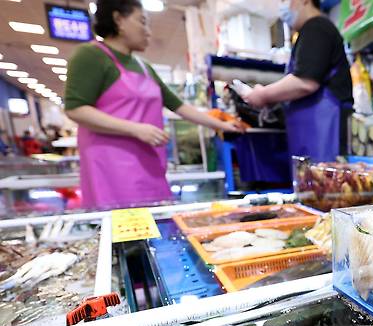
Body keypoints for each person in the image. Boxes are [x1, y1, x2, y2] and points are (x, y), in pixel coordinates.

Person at [65, 0, 245, 210]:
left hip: (148, 163)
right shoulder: (91, 55)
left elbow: (179, 107)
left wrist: (224, 125)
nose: (148, 32)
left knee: (154, 221)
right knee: (124, 229)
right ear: (118, 20)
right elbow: (76, 109)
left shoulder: (144, 66)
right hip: (111, 165)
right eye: (142, 22)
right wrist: (135, 129)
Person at [244, 0, 353, 163]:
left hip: (327, 139)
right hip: (313, 138)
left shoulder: (317, 28)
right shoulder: (309, 32)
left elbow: (304, 82)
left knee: (329, 182)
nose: (282, 7)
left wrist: (263, 95)